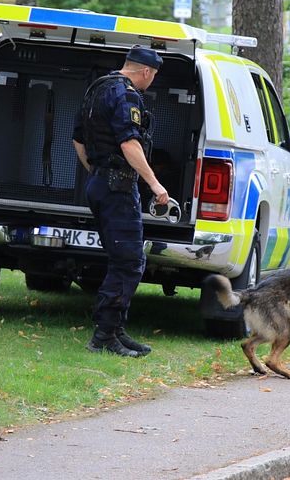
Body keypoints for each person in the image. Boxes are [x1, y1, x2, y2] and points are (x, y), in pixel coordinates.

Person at [72, 45, 169, 357]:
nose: (150, 82)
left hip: (100, 183)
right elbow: (129, 142)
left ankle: (116, 330)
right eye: (152, 77)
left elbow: (77, 139)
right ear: (146, 71)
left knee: (122, 260)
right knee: (129, 262)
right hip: (118, 187)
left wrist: (96, 171)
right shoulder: (126, 95)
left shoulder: (97, 88)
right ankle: (104, 337)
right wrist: (155, 185)